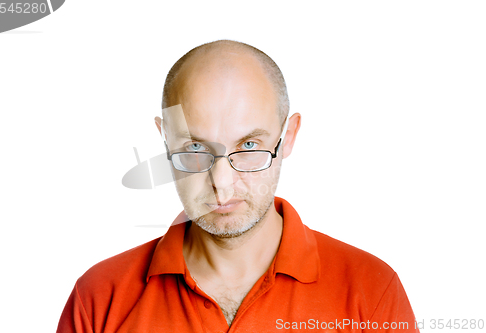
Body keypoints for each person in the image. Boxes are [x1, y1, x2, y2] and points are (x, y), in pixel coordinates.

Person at [57, 39, 419, 332]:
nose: (221, 183)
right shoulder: (99, 299)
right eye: (195, 148)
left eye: (248, 147)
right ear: (165, 139)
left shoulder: (370, 292)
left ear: (288, 136)